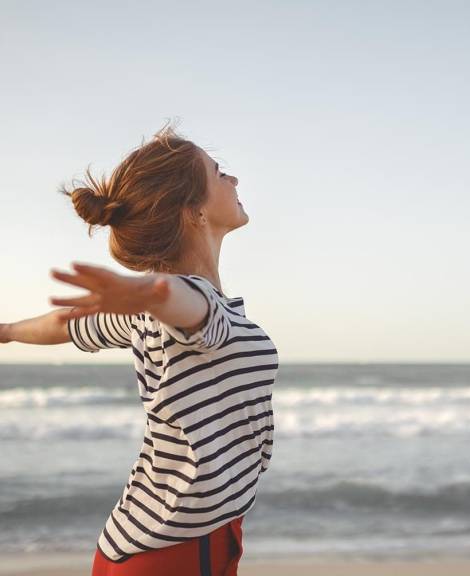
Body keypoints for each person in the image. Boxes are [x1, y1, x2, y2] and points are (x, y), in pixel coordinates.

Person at [0, 122, 279, 575]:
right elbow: (185, 304)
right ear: (194, 212)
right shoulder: (191, 301)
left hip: (145, 542)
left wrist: (7, 330)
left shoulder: (149, 311)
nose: (234, 180)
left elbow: (63, 326)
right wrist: (153, 292)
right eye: (218, 172)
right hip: (179, 549)